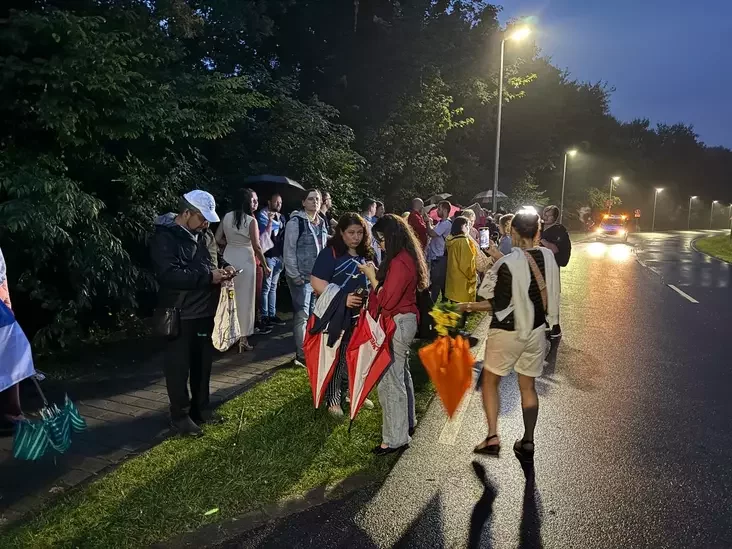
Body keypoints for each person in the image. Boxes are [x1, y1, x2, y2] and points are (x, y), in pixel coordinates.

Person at [457, 209, 560, 463]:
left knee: (490, 381)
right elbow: (526, 270)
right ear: (538, 232)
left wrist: (468, 306)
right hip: (536, 330)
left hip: (507, 331)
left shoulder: (507, 264)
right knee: (528, 386)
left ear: (512, 231)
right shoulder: (547, 257)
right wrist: (497, 256)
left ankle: (492, 437)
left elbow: (498, 303)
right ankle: (528, 440)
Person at [151, 190, 234, 437]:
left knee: (203, 364)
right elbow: (169, 274)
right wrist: (208, 277)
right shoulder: (165, 237)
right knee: (178, 368)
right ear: (186, 213)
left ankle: (201, 408)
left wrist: (225, 267)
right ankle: (180, 415)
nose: (206, 224)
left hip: (205, 311)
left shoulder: (205, 234)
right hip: (179, 313)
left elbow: (215, 258)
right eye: (202, 218)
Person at [358, 214, 430, 455]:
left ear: (392, 237)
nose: (380, 244)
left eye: (381, 239)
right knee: (400, 375)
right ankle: (407, 423)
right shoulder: (405, 257)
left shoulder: (400, 261)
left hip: (397, 322)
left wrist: (371, 277)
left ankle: (395, 439)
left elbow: (387, 300)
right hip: (404, 321)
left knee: (390, 382)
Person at [310, 213, 375, 417]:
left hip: (359, 315)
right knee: (336, 356)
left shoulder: (366, 253)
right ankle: (333, 398)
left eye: (359, 232)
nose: (356, 237)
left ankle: (350, 392)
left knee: (354, 355)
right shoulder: (330, 253)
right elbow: (316, 282)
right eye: (351, 232)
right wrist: (342, 298)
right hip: (336, 315)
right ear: (341, 232)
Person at [216, 188, 271, 352]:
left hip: (229, 257)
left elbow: (217, 238)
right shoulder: (251, 221)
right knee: (246, 300)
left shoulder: (226, 217)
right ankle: (243, 338)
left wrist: (230, 244)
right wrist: (265, 266)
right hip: (246, 260)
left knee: (229, 297)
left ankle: (228, 335)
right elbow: (257, 246)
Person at [284, 189, 329, 368]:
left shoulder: (321, 222)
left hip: (317, 277)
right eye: (310, 199)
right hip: (301, 277)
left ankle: (311, 349)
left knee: (314, 314)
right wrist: (294, 275)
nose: (315, 202)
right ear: (303, 202)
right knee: (302, 316)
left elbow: (323, 248)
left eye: (317, 199)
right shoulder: (296, 222)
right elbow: (289, 250)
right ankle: (301, 354)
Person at [541, 205, 571, 339]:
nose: (545, 217)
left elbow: (555, 249)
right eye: (545, 214)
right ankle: (543, 323)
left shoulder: (559, 231)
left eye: (549, 215)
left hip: (551, 267)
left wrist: (542, 241)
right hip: (539, 266)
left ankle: (555, 326)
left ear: (555, 217)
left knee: (551, 296)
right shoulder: (540, 227)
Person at [257, 193, 287, 327]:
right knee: (266, 287)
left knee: (274, 286)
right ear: (269, 202)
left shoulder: (282, 218)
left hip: (279, 256)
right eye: (276, 202)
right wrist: (270, 221)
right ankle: (264, 316)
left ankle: (272, 314)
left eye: (280, 203)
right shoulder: (262, 215)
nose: (278, 205)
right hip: (268, 255)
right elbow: (263, 235)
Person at [445, 217, 478, 304]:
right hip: (463, 285)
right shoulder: (463, 241)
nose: (469, 228)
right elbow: (467, 264)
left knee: (454, 308)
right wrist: (473, 277)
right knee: (462, 310)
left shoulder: (452, 240)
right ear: (463, 226)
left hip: (453, 283)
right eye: (468, 225)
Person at [425, 200, 453, 302]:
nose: (437, 211)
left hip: (439, 258)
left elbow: (432, 233)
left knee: (436, 283)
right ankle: (444, 303)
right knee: (441, 283)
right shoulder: (441, 223)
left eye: (439, 209)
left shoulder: (446, 224)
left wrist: (427, 222)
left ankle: (431, 305)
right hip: (437, 257)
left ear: (445, 210)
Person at [361, 197, 382, 263]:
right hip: (369, 259)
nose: (375, 210)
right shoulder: (367, 224)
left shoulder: (361, 221)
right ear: (371, 207)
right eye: (375, 207)